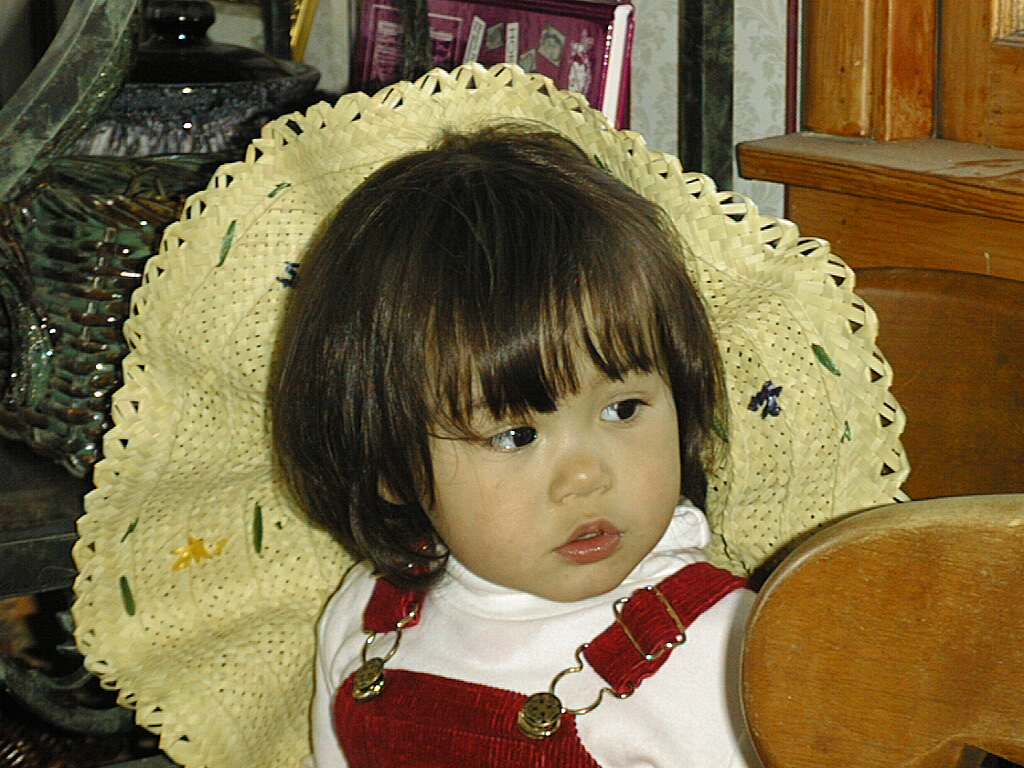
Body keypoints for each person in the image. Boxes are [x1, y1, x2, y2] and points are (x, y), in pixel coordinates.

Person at [271, 123, 761, 768]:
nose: (585, 476)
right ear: (389, 463)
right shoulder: (368, 618)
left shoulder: (726, 652)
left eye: (622, 409)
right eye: (515, 435)